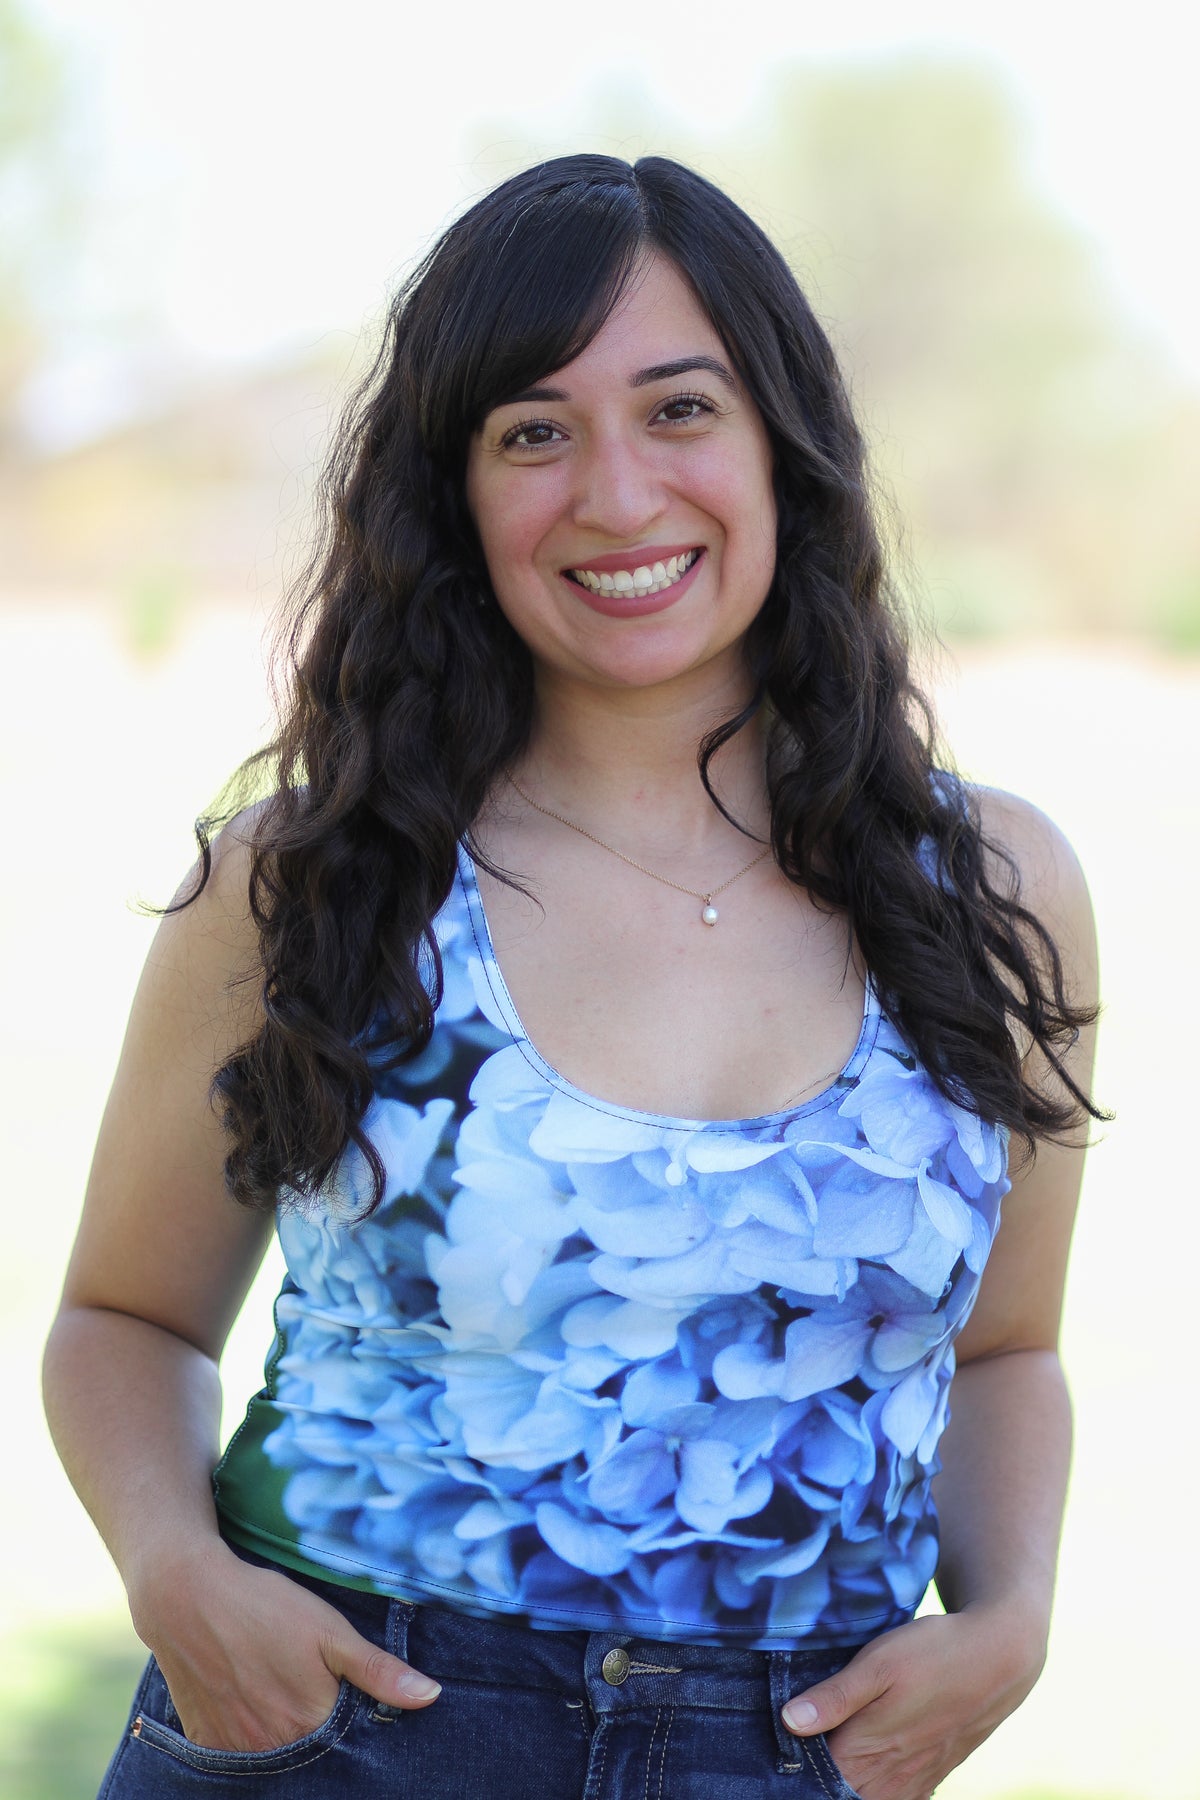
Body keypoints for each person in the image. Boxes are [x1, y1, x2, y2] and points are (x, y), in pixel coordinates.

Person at [44, 154, 1101, 1800]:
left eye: (680, 409)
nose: (616, 495)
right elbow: (122, 1320)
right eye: (534, 433)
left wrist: (1015, 1616)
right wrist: (177, 1577)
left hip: (799, 1751)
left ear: (783, 445)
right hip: (344, 1730)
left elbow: (1009, 1351)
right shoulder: (310, 878)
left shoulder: (987, 887)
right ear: (455, 491)